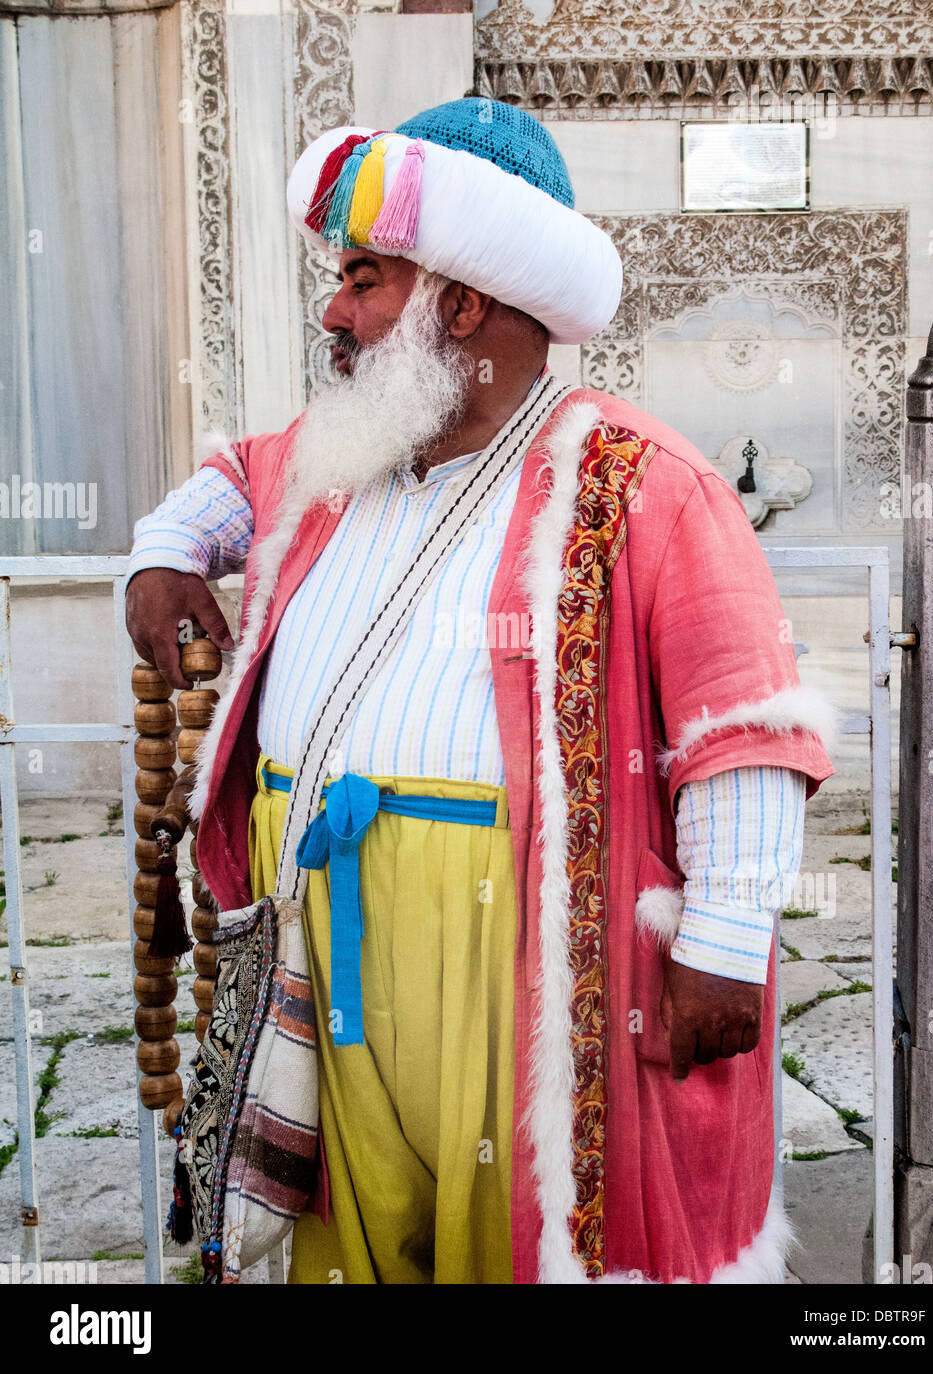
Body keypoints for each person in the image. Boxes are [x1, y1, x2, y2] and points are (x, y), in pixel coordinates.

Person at [125, 97, 835, 1285]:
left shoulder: (643, 479)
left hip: (515, 941)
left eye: (363, 280)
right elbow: (230, 480)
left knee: (508, 1238)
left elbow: (742, 724)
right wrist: (162, 554)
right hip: (317, 926)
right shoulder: (347, 453)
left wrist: (726, 938)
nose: (332, 312)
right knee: (342, 1245)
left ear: (460, 299)